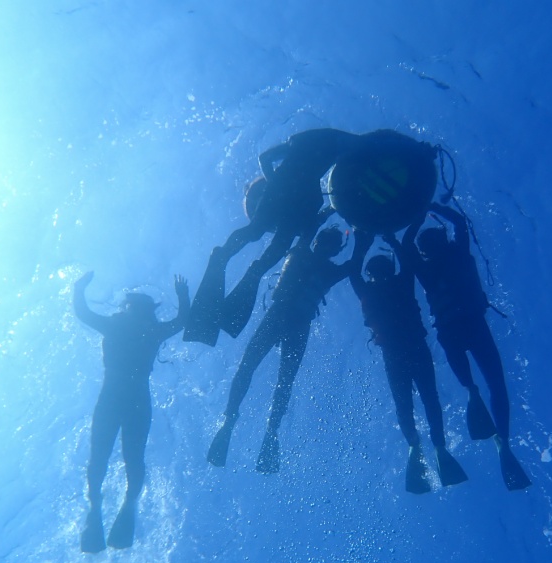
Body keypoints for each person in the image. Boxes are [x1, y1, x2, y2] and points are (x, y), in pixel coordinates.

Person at [185, 128, 360, 346]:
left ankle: (245, 267)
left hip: (291, 200)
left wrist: (287, 188)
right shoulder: (305, 143)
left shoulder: (322, 147)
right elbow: (265, 158)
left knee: (272, 243)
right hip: (284, 196)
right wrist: (277, 184)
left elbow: (267, 159)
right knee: (258, 232)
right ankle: (225, 257)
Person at [207, 225, 359, 473]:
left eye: (328, 244)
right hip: (290, 321)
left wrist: (357, 232)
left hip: (285, 320)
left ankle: (258, 428)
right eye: (325, 242)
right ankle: (242, 422)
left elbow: (349, 261)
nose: (324, 247)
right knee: (266, 373)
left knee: (265, 372)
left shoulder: (307, 255)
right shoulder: (314, 260)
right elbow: (352, 261)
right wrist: (361, 234)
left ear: (329, 248)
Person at [402, 203, 531, 490]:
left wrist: (417, 215)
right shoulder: (459, 253)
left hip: (449, 331)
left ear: (425, 250)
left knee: (476, 383)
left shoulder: (425, 268)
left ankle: (472, 393)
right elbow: (460, 222)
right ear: (442, 239)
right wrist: (431, 205)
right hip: (475, 325)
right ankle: (502, 440)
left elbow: (407, 245)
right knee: (496, 384)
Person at [73, 271, 191, 552]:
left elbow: (83, 312)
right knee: (129, 457)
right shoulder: (150, 330)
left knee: (102, 456)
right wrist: (182, 295)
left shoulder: (118, 326)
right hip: (135, 399)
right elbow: (182, 320)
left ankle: (101, 507)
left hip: (112, 397)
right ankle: (121, 506)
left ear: (128, 307)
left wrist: (79, 288)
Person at [348, 232, 468, 493]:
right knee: (429, 399)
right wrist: (392, 239)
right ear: (388, 270)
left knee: (405, 404)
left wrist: (362, 240)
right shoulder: (402, 281)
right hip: (415, 348)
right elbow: (405, 260)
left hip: (394, 354)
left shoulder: (367, 289)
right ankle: (438, 447)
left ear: (371, 273)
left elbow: (353, 271)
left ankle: (416, 445)